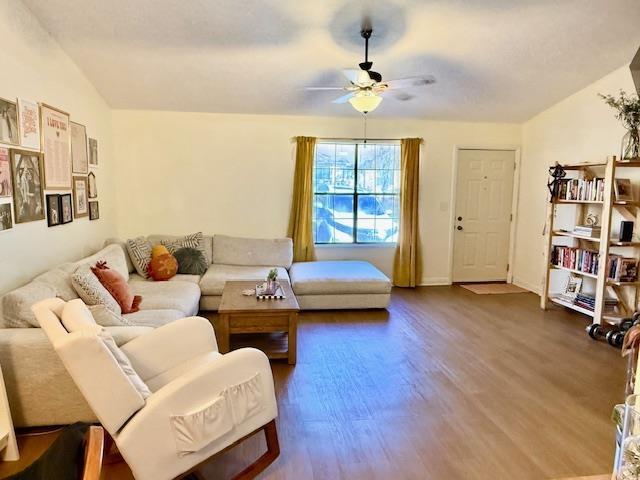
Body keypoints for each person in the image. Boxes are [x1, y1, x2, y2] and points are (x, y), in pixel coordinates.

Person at [16, 155, 42, 219]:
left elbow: (34, 193)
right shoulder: (23, 179)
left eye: (28, 173)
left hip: (30, 196)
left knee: (31, 205)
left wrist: (29, 194)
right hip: (26, 194)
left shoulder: (31, 182)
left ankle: (30, 213)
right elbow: (22, 188)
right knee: (27, 204)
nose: (27, 174)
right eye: (26, 172)